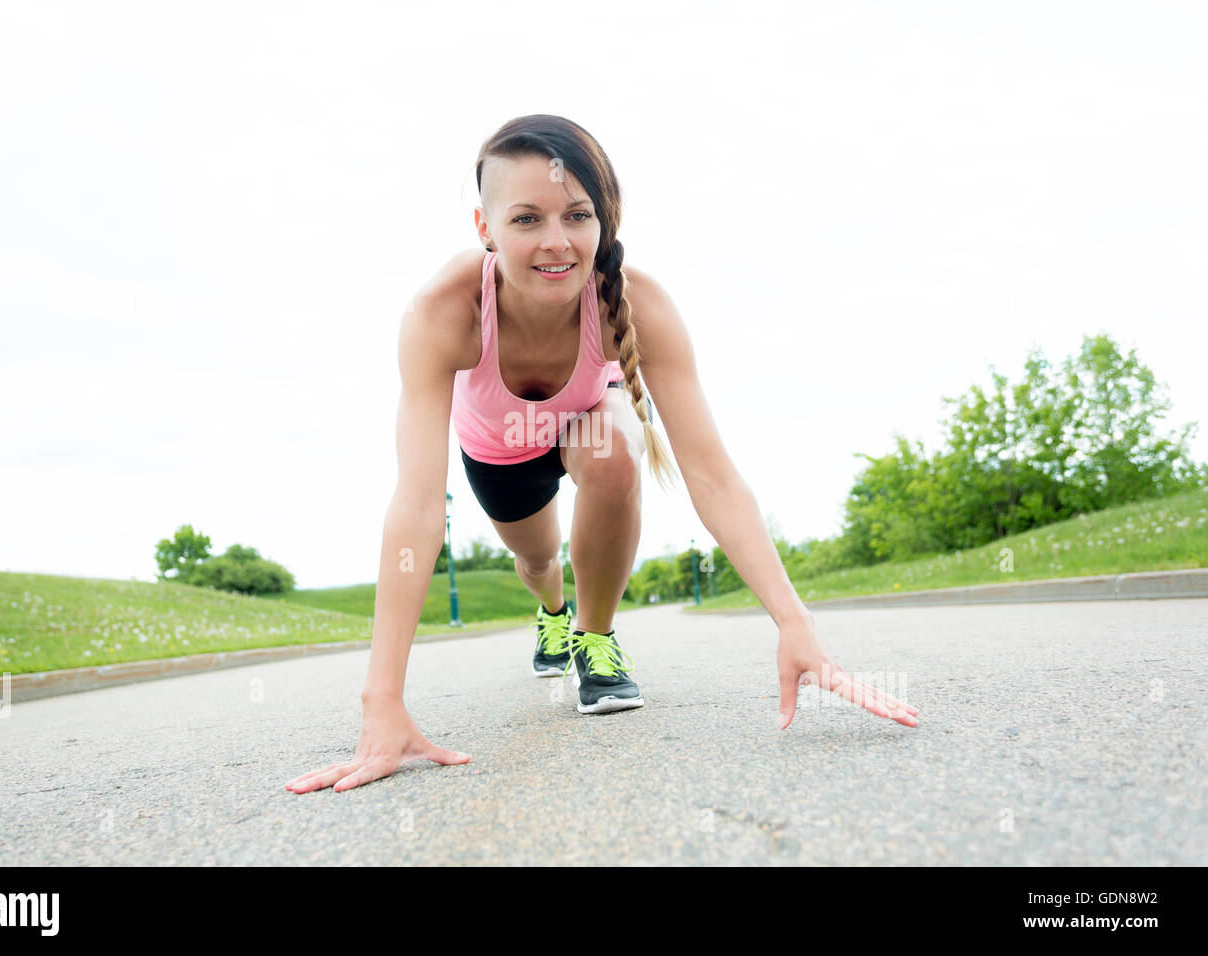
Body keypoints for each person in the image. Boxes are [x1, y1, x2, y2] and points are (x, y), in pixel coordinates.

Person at [286, 115, 918, 795]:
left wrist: (798, 627)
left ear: (602, 221)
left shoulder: (638, 301)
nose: (557, 242)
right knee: (535, 559)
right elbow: (414, 506)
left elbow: (712, 473)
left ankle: (594, 635)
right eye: (526, 219)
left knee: (617, 444)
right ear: (485, 228)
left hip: (585, 429)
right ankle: (553, 610)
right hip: (498, 454)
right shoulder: (443, 311)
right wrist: (382, 702)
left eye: (577, 216)